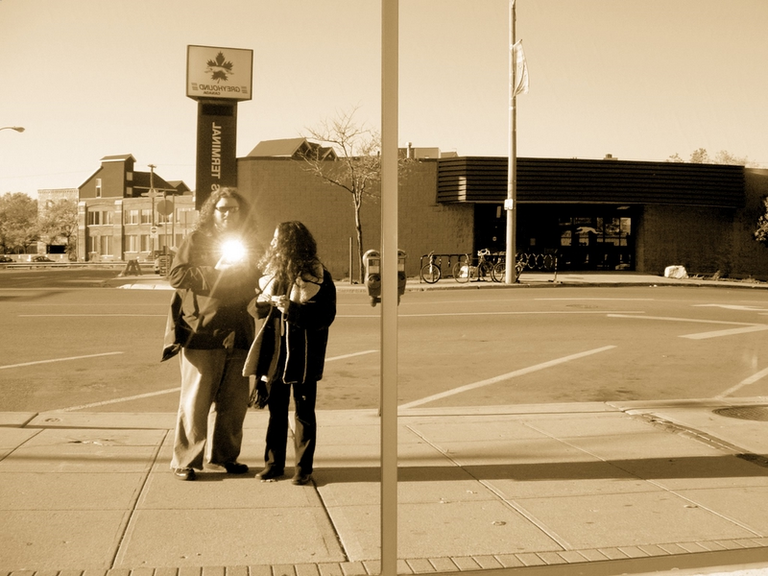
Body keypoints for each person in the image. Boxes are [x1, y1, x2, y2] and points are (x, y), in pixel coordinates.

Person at [165, 187, 261, 481]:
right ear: (212, 211)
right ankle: (186, 460)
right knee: (196, 400)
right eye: (223, 209)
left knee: (233, 402)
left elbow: (259, 278)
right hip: (202, 328)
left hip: (239, 329)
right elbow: (177, 275)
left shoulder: (251, 241)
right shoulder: (197, 239)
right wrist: (215, 270)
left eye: (234, 209)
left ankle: (223, 457)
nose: (229, 214)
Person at [243, 221, 336, 485]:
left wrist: (292, 310)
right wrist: (263, 303)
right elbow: (254, 308)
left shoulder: (318, 274)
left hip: (304, 354)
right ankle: (273, 464)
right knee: (276, 410)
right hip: (276, 354)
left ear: (288, 244)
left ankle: (303, 468)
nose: (272, 243)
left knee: (304, 412)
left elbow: (326, 315)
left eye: (276, 239)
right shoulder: (272, 273)